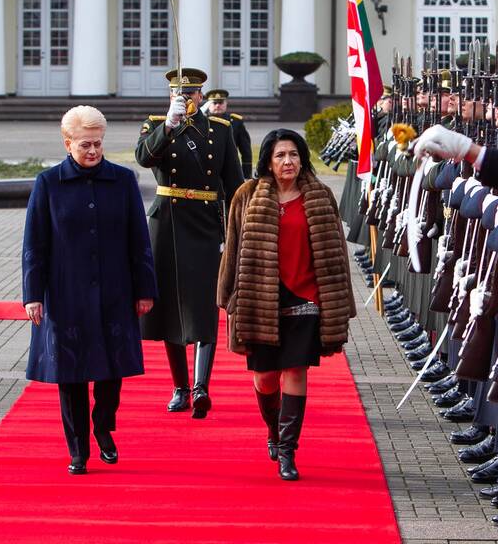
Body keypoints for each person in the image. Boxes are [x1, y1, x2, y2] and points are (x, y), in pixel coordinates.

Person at [22, 105, 157, 475]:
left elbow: (138, 240)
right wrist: (32, 294)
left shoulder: (123, 180)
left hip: (115, 290)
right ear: (68, 144)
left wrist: (145, 289)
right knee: (71, 374)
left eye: (98, 144)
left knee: (112, 371)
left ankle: (103, 423)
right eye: (85, 145)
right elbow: (35, 244)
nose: (93, 151)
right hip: (66, 294)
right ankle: (78, 449)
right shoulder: (48, 183)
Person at [217, 129, 356, 480]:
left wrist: (340, 302)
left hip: (307, 297)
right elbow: (232, 248)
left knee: (296, 370)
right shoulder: (247, 196)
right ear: (267, 160)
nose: (288, 161)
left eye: (293, 154)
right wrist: (226, 295)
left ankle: (288, 452)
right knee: (265, 377)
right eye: (280, 155)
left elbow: (338, 252)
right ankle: (274, 431)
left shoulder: (320, 196)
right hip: (260, 298)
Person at [136, 68, 244, 418]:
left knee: (204, 303)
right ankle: (180, 386)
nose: (185, 100)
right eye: (178, 95)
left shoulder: (221, 130)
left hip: (205, 223)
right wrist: (168, 126)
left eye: (191, 95)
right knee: (169, 306)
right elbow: (143, 158)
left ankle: (201, 387)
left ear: (201, 96)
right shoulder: (156, 125)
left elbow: (235, 186)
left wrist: (234, 232)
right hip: (167, 221)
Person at [202, 88, 253, 179]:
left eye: (221, 103)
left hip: (230, 169)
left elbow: (246, 151)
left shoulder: (236, 122)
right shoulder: (201, 122)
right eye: (214, 103)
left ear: (226, 103)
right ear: (208, 105)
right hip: (206, 169)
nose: (218, 106)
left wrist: (246, 175)